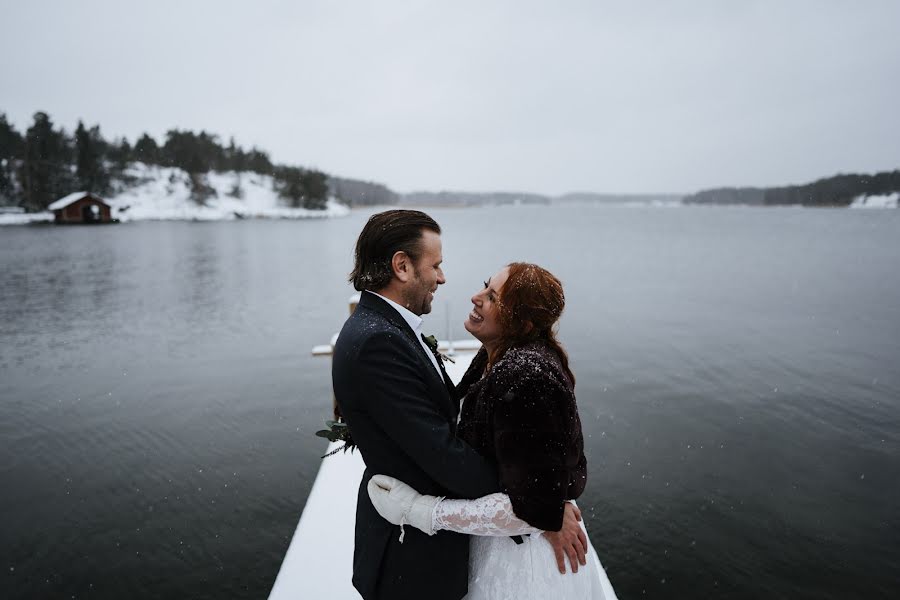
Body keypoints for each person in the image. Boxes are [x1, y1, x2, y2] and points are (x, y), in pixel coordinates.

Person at [332, 212, 586, 600]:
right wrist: (541, 506)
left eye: (493, 295)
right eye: (435, 265)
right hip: (409, 561)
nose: (444, 278)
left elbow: (446, 428)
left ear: (517, 319)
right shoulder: (378, 342)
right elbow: (444, 453)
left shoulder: (388, 331)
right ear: (402, 266)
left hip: (444, 549)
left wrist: (541, 504)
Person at [368, 262, 618, 599]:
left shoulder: (525, 378)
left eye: (493, 298)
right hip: (505, 545)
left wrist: (420, 511)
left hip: (522, 567)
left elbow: (531, 510)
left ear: (523, 324)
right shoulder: (498, 358)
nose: (475, 297)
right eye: (485, 287)